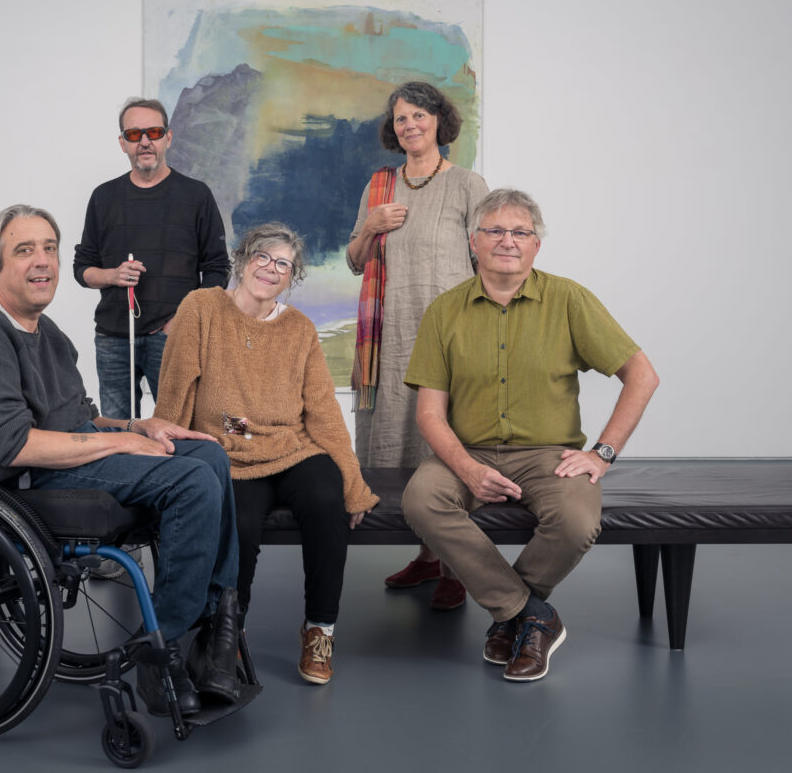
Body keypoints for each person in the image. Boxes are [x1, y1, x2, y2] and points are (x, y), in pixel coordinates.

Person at [0, 204, 242, 715]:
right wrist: (117, 444)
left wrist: (137, 426)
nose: (42, 260)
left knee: (208, 455)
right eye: (25, 250)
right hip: (23, 478)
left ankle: (216, 623)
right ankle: (164, 652)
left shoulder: (46, 332)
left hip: (65, 458)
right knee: (191, 481)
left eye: (49, 248)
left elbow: (80, 417)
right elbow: (12, 445)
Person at [401, 189, 659, 682]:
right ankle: (531, 617)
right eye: (495, 230)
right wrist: (469, 469)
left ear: (536, 245)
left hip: (548, 454)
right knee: (421, 500)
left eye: (521, 232)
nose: (508, 241)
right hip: (468, 450)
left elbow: (641, 374)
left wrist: (602, 454)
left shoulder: (569, 299)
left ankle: (512, 615)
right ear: (473, 242)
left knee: (576, 520)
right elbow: (431, 414)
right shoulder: (444, 311)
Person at [156, 223, 378, 686]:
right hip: (230, 452)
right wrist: (164, 451)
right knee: (241, 523)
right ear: (242, 259)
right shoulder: (202, 308)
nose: (270, 269)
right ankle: (228, 631)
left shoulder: (299, 328)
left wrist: (353, 483)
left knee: (326, 501)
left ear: (291, 277)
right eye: (263, 257)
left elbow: (322, 412)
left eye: (283, 264)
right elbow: (177, 389)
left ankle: (320, 628)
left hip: (292, 446)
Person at [347, 81, 488, 609]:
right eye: (400, 118)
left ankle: (456, 565)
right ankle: (428, 558)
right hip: (391, 336)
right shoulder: (380, 187)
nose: (409, 125)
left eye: (418, 116)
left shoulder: (469, 184)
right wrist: (371, 227)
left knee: (446, 444)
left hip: (451, 337)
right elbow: (356, 259)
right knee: (401, 441)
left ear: (438, 121)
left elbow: (486, 262)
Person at [74, 97, 230, 419]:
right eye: (133, 135)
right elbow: (82, 268)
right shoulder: (103, 197)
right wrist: (112, 276)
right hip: (113, 339)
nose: (144, 141)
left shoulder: (196, 195)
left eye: (154, 132)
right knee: (119, 435)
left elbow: (217, 269)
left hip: (172, 337)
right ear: (122, 144)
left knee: (180, 430)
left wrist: (184, 322)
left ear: (168, 138)